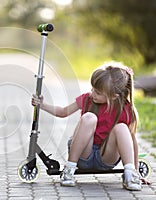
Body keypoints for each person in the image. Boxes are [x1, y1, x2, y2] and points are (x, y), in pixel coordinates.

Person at [32, 61, 144, 191]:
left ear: (114, 96)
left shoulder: (125, 109)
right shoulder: (87, 99)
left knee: (122, 128)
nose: (92, 93)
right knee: (89, 117)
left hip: (106, 158)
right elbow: (63, 112)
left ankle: (131, 175)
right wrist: (42, 105)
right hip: (83, 155)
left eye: (97, 92)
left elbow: (132, 142)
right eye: (92, 89)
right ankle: (69, 170)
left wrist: (137, 170)